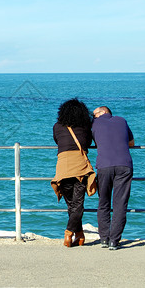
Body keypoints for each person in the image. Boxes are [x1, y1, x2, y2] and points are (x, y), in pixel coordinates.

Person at [50, 98, 96, 247]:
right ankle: (69, 234)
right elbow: (88, 143)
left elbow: (57, 141)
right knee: (77, 204)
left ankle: (80, 235)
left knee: (72, 205)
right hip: (80, 168)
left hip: (63, 167)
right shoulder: (85, 127)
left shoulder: (57, 127)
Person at [92, 106, 134, 250]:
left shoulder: (95, 124)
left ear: (103, 112)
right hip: (124, 165)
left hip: (104, 165)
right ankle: (114, 241)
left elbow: (96, 141)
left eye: (95, 115)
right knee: (120, 204)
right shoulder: (122, 121)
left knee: (103, 202)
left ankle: (104, 238)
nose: (94, 117)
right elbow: (131, 143)